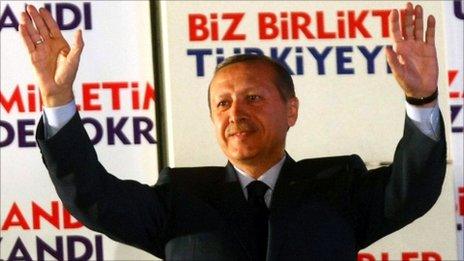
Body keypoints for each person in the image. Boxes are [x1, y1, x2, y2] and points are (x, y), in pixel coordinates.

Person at [20, 2, 446, 260]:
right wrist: (58, 100)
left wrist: (422, 100)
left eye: (254, 99)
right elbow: (94, 196)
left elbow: (413, 188)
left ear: (291, 109)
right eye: (222, 103)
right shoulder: (179, 197)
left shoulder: (340, 186)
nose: (235, 113)